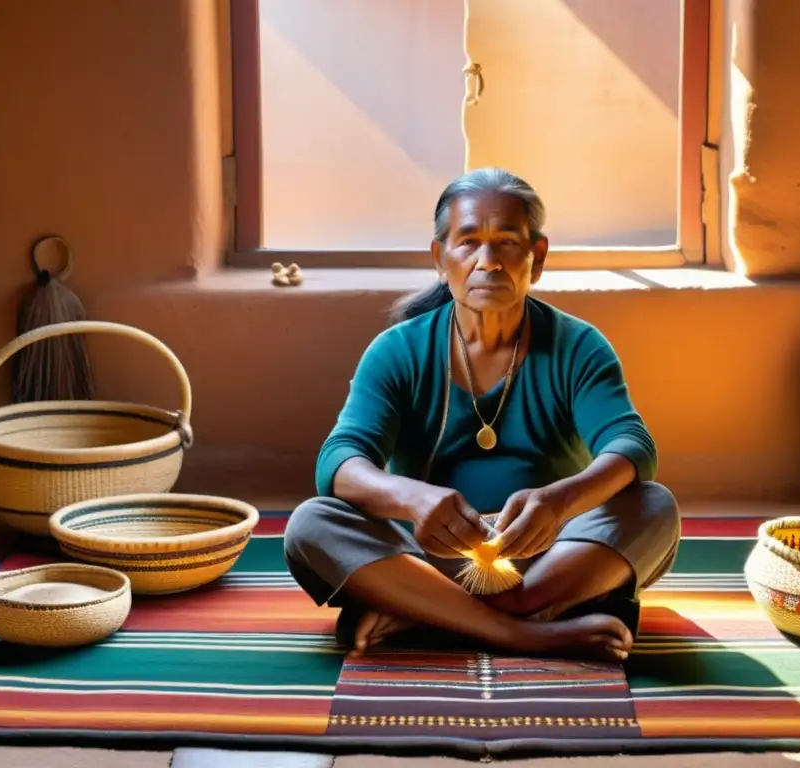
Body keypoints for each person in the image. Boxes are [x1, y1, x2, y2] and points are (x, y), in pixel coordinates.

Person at [284, 167, 680, 662]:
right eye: (468, 242)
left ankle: (429, 616)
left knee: (654, 506)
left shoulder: (577, 346)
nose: (487, 262)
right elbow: (340, 461)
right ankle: (530, 631)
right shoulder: (397, 351)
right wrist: (414, 500)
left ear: (536, 259)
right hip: (428, 556)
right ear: (440, 258)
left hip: (548, 555)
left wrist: (560, 503)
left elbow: (631, 446)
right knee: (312, 523)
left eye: (508, 244)